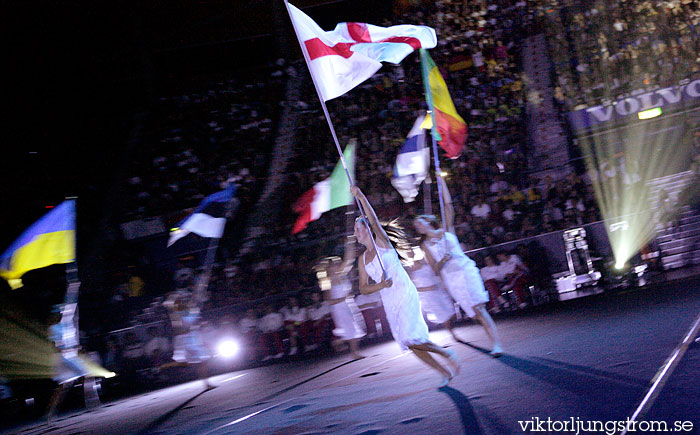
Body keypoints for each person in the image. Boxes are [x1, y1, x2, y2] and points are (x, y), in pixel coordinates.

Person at [351, 185, 459, 387]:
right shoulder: (362, 259)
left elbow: (373, 219)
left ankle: (446, 352)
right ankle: (444, 372)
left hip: (405, 292)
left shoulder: (382, 242)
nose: (356, 233)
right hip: (390, 301)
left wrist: (360, 195)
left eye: (358, 228)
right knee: (409, 343)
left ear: (367, 229)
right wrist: (381, 285)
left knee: (413, 337)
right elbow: (364, 288)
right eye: (355, 230)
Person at [414, 177, 503, 356]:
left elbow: (448, 205)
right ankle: (491, 338)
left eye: (418, 223)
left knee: (479, 308)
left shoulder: (446, 230)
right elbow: (435, 269)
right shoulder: (425, 245)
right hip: (452, 279)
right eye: (415, 226)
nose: (417, 227)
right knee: (475, 315)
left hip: (465, 271)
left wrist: (442, 181)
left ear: (427, 221)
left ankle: (496, 344)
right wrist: (443, 260)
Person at [46, 304, 101, 420]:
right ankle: (50, 414)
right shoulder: (53, 328)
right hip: (63, 359)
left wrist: (77, 348)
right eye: (58, 314)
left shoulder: (67, 326)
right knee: (62, 387)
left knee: (86, 376)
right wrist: (70, 349)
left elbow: (71, 342)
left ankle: (92, 402)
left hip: (71, 357)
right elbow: (56, 346)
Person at [317, 237, 366, 359]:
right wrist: (343, 299)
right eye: (335, 265)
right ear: (329, 268)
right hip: (339, 307)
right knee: (351, 328)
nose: (338, 265)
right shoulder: (326, 282)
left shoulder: (342, 275)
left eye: (338, 263)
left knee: (358, 328)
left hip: (349, 304)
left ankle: (337, 342)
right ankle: (354, 353)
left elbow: (349, 259)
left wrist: (349, 243)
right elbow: (328, 300)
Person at [406, 247, 461, 342]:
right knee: (443, 315)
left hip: (437, 288)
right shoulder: (409, 270)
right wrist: (427, 288)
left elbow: (436, 271)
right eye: (408, 252)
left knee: (451, 312)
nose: (410, 253)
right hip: (428, 295)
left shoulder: (424, 262)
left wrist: (442, 283)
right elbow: (412, 287)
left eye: (411, 251)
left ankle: (451, 328)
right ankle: (452, 334)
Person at [162, 291, 214, 389]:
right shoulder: (174, 313)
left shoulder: (183, 310)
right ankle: (204, 382)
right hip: (187, 340)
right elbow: (180, 329)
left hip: (193, 338)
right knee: (200, 361)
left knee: (203, 361)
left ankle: (206, 383)